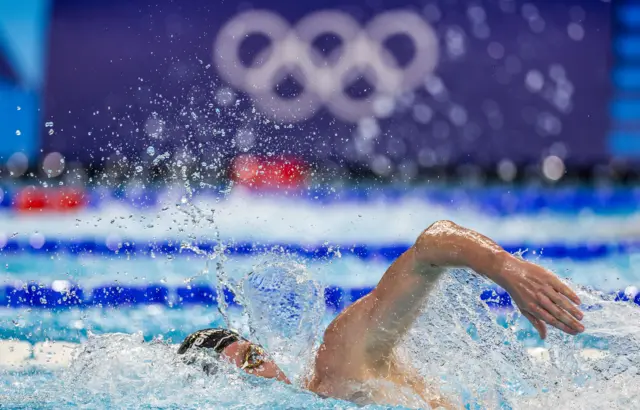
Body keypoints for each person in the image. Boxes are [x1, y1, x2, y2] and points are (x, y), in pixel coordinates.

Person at [177, 220, 585, 408]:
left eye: (252, 357)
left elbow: (430, 247)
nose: (260, 373)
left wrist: (504, 268)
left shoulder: (339, 363)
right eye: (245, 374)